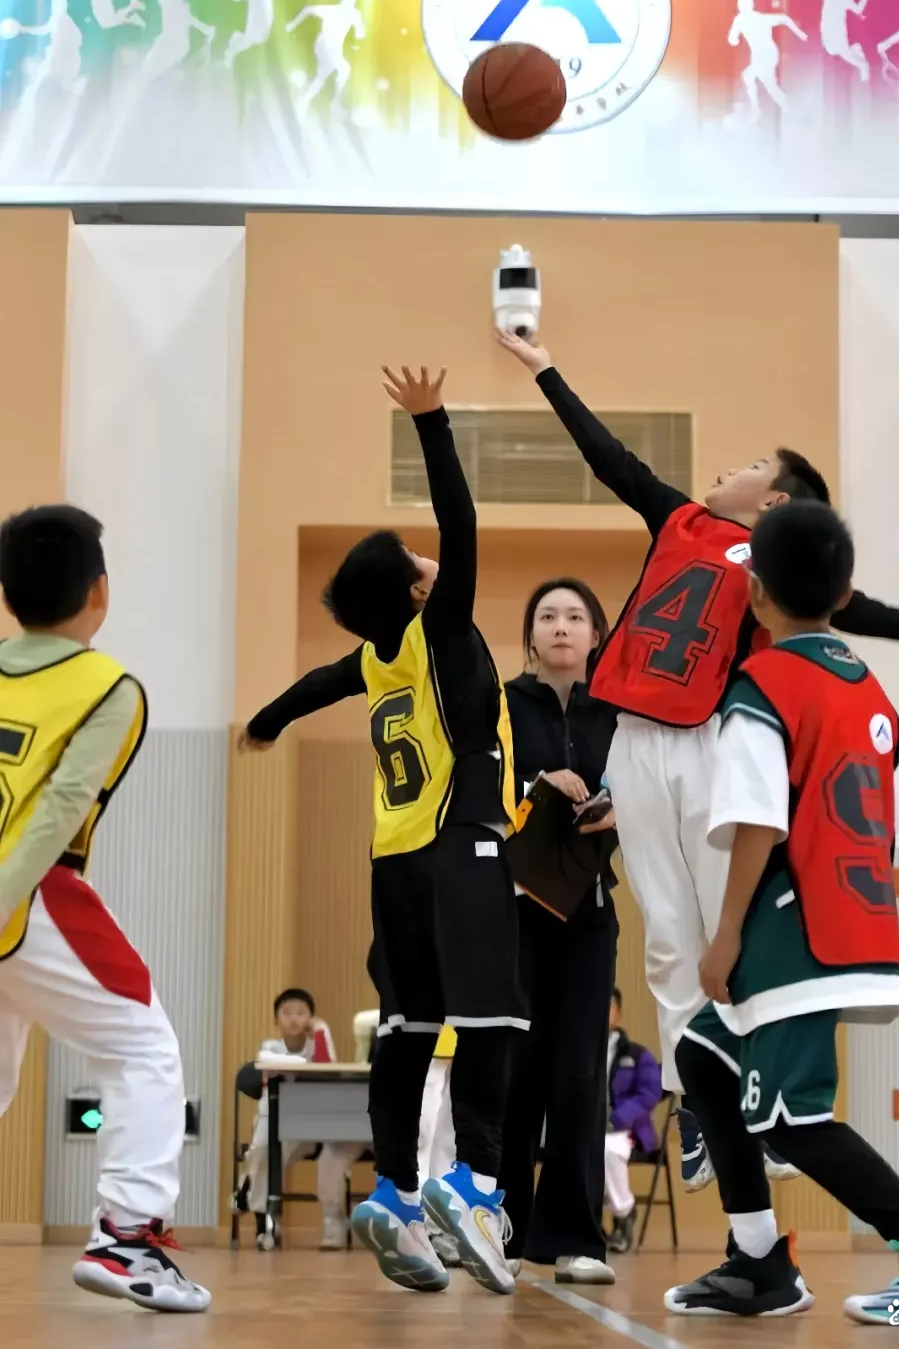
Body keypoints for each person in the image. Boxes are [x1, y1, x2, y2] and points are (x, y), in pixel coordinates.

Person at [494, 329, 899, 1109]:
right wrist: (548, 373)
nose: (726, 469)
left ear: (774, 503)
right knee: (666, 939)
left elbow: (841, 602)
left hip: (706, 740)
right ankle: (699, 1103)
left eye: (750, 465)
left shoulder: (776, 566)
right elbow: (611, 460)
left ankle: (758, 1085)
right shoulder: (680, 520)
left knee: (720, 929)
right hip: (633, 742)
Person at [666, 500, 899, 1322]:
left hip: (795, 930)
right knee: (703, 1056)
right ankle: (759, 1261)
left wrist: (725, 935)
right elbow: (893, 832)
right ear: (846, 593)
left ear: (754, 593)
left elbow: (758, 822)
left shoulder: (764, 685)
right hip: (854, 919)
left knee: (793, 1118)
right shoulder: (876, 697)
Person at [241, 365, 524, 1296]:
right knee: (491, 1016)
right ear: (415, 590)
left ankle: (396, 1191)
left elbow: (315, 684)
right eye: (419, 562)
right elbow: (462, 521)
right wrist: (432, 423)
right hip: (462, 838)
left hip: (394, 862)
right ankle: (476, 1183)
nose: (435, 562)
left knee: (408, 1026)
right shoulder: (438, 630)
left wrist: (266, 721)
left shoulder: (377, 657)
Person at [0, 505, 208, 1313]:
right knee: (143, 1045)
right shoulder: (109, 686)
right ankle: (126, 1237)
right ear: (100, 592)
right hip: (28, 895)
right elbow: (58, 810)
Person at [499, 578, 619, 1285]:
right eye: (547, 615)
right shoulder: (504, 704)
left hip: (589, 911)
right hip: (517, 909)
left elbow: (646, 787)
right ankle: (506, 1235)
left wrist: (617, 806)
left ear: (596, 634)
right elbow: (480, 784)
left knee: (578, 1071)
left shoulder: (618, 709)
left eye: (575, 616)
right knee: (517, 1068)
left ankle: (576, 1238)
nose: (562, 626)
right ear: (531, 634)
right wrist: (539, 785)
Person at [236, 988, 358, 1251]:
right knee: (266, 1152)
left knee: (266, 1156)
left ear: (311, 1019)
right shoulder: (269, 1048)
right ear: (276, 1020)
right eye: (287, 1013)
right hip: (275, 1117)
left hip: (312, 1124)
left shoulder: (318, 1043)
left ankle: (246, 1190)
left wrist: (322, 1033)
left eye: (301, 1013)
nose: (294, 1018)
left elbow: (328, 1071)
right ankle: (265, 1222)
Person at [604, 988, 661, 1253]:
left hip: (625, 1129)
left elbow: (650, 1092)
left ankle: (623, 1213)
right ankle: (587, 1223)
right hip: (587, 1128)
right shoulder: (577, 1052)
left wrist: (619, 1117)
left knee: (606, 1151)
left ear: (619, 1014)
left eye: (608, 1006)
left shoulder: (637, 1054)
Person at [417, 1024, 460, 1267]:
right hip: (426, 1036)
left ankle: (443, 1227)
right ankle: (421, 1226)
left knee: (450, 1142)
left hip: (468, 1037)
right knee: (422, 1139)